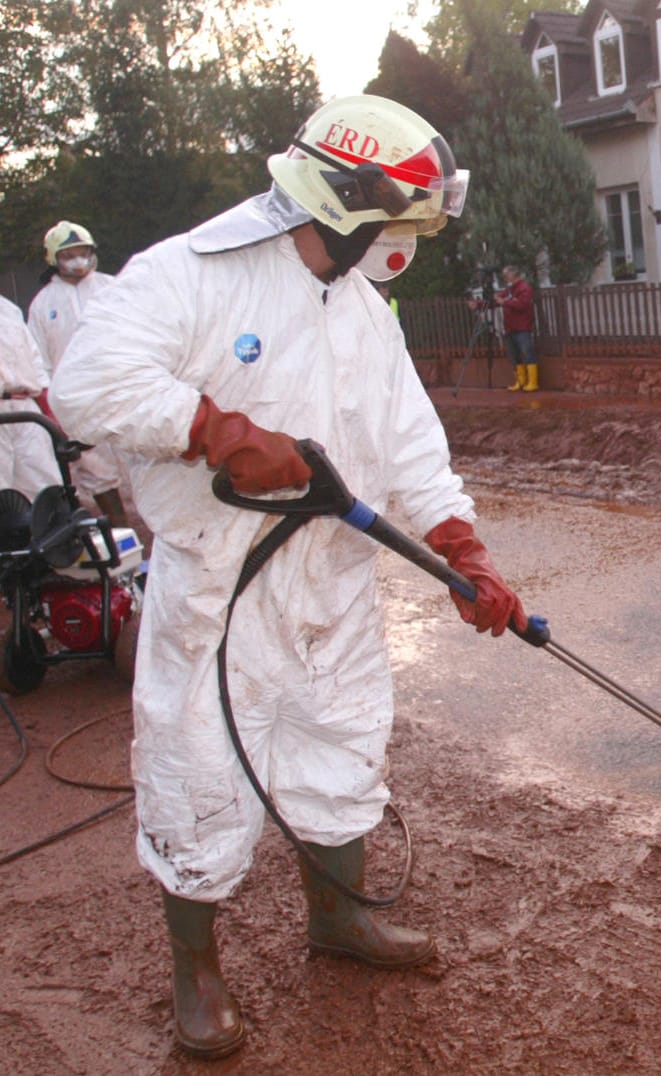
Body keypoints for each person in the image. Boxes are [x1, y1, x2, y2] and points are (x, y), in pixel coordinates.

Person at [50, 95, 525, 1060]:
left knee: (342, 749)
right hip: (219, 594)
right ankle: (197, 970)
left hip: (336, 584)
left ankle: (338, 918)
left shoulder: (361, 309)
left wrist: (461, 549)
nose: (407, 241)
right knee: (198, 773)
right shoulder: (187, 275)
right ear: (347, 200)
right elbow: (88, 384)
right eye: (400, 218)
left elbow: (408, 443)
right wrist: (214, 431)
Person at [26, 220, 133, 525]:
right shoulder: (43, 304)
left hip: (123, 392)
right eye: (68, 254)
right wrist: (52, 411)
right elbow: (40, 362)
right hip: (78, 403)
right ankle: (121, 542)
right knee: (100, 475)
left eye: (82, 252)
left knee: (142, 467)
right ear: (53, 259)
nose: (77, 260)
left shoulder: (114, 288)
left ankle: (160, 545)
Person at [0, 296, 61, 498]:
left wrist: (48, 411)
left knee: (45, 485)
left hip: (26, 409)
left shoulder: (8, 309)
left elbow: (35, 360)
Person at [495, 263, 537, 391]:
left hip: (522, 327)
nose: (505, 278)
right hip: (510, 328)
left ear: (513, 274)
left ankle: (533, 382)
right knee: (515, 356)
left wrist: (505, 302)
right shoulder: (510, 289)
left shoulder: (524, 288)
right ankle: (520, 381)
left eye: (506, 275)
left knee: (527, 353)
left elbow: (522, 305)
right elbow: (500, 298)